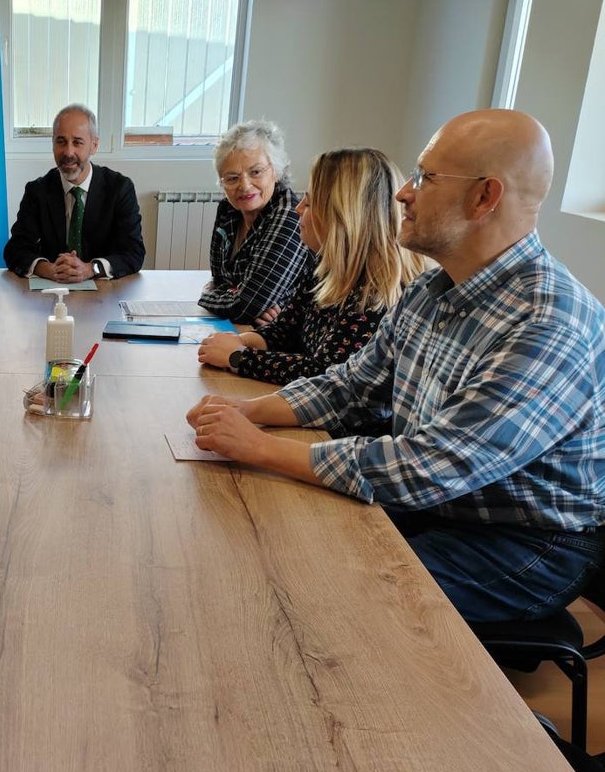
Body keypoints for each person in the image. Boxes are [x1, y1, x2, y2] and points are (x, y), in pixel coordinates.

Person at [187, 109, 605, 624]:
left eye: (425, 178)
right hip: (446, 508)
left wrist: (260, 447)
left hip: (522, 541)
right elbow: (352, 384)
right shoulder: (432, 289)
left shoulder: (546, 322)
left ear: (484, 197)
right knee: (278, 541)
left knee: (314, 592)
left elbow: (432, 467)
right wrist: (245, 412)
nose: (404, 194)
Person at [197, 148, 425, 398]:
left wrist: (238, 357)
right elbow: (285, 330)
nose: (299, 208)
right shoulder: (323, 267)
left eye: (310, 202)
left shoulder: (375, 295)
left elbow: (327, 375)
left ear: (343, 216)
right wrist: (240, 340)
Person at [3, 103, 145, 282]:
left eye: (77, 142)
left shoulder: (119, 189)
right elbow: (15, 249)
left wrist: (91, 268)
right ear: (53, 144)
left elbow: (134, 252)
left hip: (104, 293)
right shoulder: (37, 191)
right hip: (51, 291)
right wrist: (48, 269)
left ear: (94, 146)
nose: (68, 152)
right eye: (61, 142)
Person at [198, 120, 310, 325]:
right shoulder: (227, 210)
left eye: (256, 172)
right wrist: (234, 296)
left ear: (276, 171)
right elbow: (221, 281)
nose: (245, 186)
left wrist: (207, 295)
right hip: (239, 327)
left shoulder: (289, 215)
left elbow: (247, 305)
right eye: (232, 178)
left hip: (282, 333)